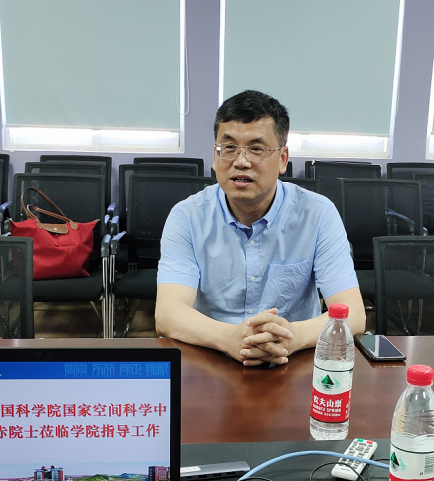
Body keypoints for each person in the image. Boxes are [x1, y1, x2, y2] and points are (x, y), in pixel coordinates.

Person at [155, 90, 366, 365]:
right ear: (215, 156)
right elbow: (167, 313)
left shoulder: (318, 214)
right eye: (229, 148)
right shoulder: (187, 216)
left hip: (293, 361)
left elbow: (354, 314)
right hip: (212, 356)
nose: (241, 161)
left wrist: (292, 337)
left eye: (256, 149)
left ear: (283, 159)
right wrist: (229, 338)